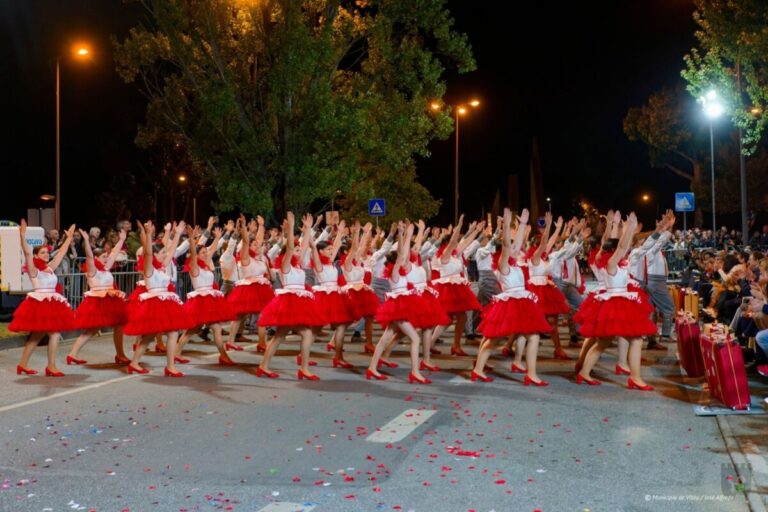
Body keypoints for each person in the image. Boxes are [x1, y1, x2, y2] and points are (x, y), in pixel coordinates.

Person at [576, 212, 658, 390]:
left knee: (603, 342)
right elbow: (621, 247)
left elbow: (622, 246)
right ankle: (635, 377)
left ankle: (585, 372)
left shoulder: (616, 262)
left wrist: (622, 228)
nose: (625, 252)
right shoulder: (611, 263)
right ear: (612, 251)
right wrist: (628, 228)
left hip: (617, 302)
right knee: (633, 339)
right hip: (615, 304)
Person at [472, 208, 552, 384]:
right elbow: (509, 246)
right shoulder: (502, 264)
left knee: (533, 335)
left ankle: (530, 373)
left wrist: (523, 224)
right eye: (511, 249)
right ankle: (478, 369)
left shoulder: (513, 263)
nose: (517, 250)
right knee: (493, 339)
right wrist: (507, 225)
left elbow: (515, 246)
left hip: (521, 301)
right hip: (509, 303)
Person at [256, 213, 324, 380]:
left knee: (279, 337)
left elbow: (305, 246)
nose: (300, 251)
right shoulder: (285, 265)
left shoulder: (298, 264)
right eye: (296, 249)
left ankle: (264, 366)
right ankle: (304, 368)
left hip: (299, 301)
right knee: (304, 333)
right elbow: (292, 248)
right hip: (289, 303)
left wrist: (308, 229)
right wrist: (291, 228)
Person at [124, 221, 192, 376]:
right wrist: (147, 235)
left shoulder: (161, 267)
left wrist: (178, 235)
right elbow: (148, 253)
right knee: (150, 336)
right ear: (154, 255)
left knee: (169, 333)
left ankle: (167, 365)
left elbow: (172, 250)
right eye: (162, 254)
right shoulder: (149, 269)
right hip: (154, 304)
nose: (165, 256)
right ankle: (140, 363)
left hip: (165, 302)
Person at [11, 220, 77, 376]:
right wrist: (22, 235)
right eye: (42, 253)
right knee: (54, 334)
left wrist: (68, 238)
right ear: (35, 256)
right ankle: (51, 366)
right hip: (41, 304)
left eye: (47, 252)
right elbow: (27, 252)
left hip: (52, 302)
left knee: (35, 337)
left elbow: (61, 253)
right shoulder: (34, 270)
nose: (46, 254)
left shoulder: (50, 268)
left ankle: (22, 365)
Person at [67, 228, 131, 365]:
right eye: (103, 257)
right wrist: (86, 241)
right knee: (91, 330)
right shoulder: (92, 270)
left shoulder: (105, 268)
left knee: (119, 326)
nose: (107, 258)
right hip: (98, 302)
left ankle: (120, 354)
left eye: (106, 256)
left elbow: (114, 254)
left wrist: (121, 240)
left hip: (111, 300)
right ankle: (72, 354)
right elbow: (89, 256)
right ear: (96, 258)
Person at [175, 225, 236, 365]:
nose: (206, 254)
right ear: (196, 255)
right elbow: (193, 253)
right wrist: (191, 240)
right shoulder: (194, 267)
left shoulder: (206, 264)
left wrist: (218, 238)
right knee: (191, 331)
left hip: (210, 301)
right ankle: (176, 353)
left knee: (215, 328)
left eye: (205, 252)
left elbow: (213, 249)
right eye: (203, 252)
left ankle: (223, 355)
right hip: (199, 303)